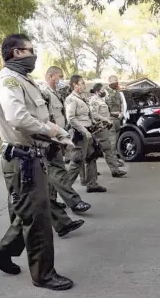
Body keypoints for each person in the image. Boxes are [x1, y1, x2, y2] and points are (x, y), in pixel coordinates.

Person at [0, 34, 74, 291]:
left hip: (32, 156)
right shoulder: (9, 80)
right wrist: (51, 130)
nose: (34, 54)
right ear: (15, 53)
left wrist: (56, 137)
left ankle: (0, 254)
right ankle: (43, 274)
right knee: (37, 220)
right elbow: (18, 118)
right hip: (22, 159)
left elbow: (37, 116)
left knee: (28, 213)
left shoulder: (23, 80)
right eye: (29, 50)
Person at [40, 66, 92, 214]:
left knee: (53, 171)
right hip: (51, 137)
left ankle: (52, 203)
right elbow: (46, 117)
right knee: (58, 170)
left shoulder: (56, 93)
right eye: (60, 76)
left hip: (59, 136)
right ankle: (74, 202)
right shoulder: (44, 93)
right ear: (51, 76)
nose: (62, 80)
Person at [65, 75, 107, 193]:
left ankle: (92, 184)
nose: (84, 85)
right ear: (75, 85)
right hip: (80, 133)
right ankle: (65, 188)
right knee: (77, 160)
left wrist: (93, 123)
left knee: (92, 157)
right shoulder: (71, 99)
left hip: (88, 131)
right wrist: (84, 131)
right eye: (82, 83)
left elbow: (85, 115)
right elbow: (71, 118)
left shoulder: (82, 98)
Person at [89, 83, 127, 178]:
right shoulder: (94, 100)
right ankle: (114, 170)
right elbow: (94, 114)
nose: (104, 92)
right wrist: (106, 120)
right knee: (106, 149)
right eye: (102, 90)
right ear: (97, 91)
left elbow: (105, 112)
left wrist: (113, 115)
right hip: (99, 128)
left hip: (104, 127)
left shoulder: (101, 100)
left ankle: (94, 171)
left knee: (98, 150)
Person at [106, 75, 125, 167]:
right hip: (110, 119)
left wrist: (121, 113)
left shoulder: (118, 93)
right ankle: (113, 162)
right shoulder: (105, 92)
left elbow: (122, 103)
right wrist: (114, 114)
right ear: (109, 82)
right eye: (114, 81)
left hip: (118, 119)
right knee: (112, 142)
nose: (116, 83)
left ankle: (115, 159)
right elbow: (105, 108)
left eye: (117, 81)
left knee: (116, 141)